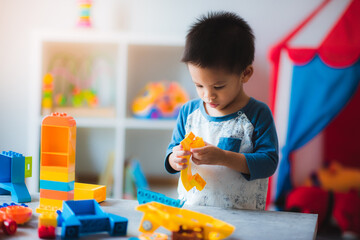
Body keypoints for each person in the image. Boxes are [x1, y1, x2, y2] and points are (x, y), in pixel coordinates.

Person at [164, 11, 278, 210]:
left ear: (245, 74)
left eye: (218, 87)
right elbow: (173, 147)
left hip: (244, 214)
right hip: (193, 209)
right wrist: (173, 159)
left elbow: (268, 162)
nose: (208, 96)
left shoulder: (257, 114)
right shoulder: (189, 112)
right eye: (199, 85)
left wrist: (224, 157)